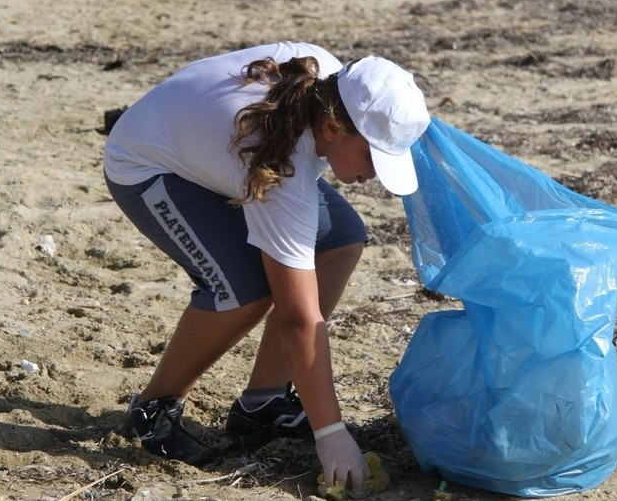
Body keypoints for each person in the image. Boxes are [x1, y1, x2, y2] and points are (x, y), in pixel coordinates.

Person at [103, 42, 430, 488]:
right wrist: (331, 435)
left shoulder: (332, 81)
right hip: (147, 162)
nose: (376, 174)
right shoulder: (280, 168)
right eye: (375, 156)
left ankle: (262, 403)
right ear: (333, 128)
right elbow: (299, 319)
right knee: (244, 289)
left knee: (340, 241)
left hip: (216, 144)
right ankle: (155, 406)